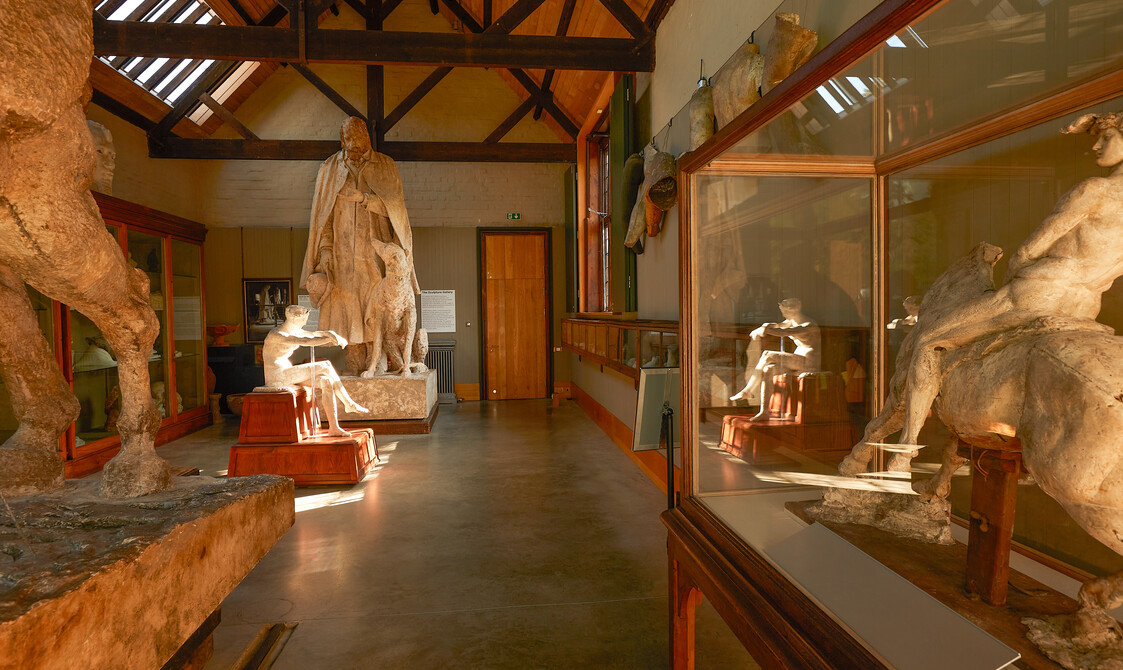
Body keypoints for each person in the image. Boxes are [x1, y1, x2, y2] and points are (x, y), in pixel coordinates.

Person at [896, 111, 1123, 447]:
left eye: (1106, 138)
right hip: (1086, 306)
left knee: (930, 339)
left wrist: (1016, 271)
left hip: (1042, 293)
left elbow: (1036, 244)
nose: (1096, 146)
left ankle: (905, 448)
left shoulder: (1095, 190)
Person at [300, 117, 419, 376]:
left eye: (359, 148)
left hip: (374, 256)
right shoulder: (330, 168)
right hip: (342, 257)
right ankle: (355, 365)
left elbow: (396, 211)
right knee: (348, 313)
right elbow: (323, 218)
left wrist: (364, 199)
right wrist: (326, 250)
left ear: (367, 142)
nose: (353, 154)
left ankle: (377, 363)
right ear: (342, 143)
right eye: (349, 148)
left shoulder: (385, 165)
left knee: (377, 309)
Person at [262, 305, 368, 437]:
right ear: (295, 318)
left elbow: (314, 334)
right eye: (304, 318)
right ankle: (349, 403)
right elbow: (305, 341)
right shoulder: (277, 334)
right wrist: (331, 340)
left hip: (287, 373)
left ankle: (334, 427)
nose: (306, 321)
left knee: (326, 381)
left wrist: (332, 334)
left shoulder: (294, 331)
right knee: (325, 365)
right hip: (277, 376)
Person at [729, 298, 821, 421]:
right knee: (768, 369)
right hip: (798, 360)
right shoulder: (791, 321)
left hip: (809, 362)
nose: (783, 314)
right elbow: (778, 325)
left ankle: (748, 390)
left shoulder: (808, 325)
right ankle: (764, 411)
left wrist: (765, 330)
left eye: (783, 311)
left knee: (768, 355)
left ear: (791, 310)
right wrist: (765, 326)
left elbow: (785, 332)